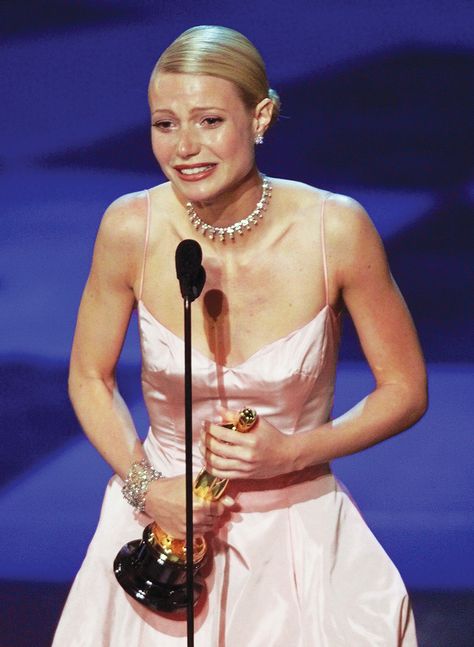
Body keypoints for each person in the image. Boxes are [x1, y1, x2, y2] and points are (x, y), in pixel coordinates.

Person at [53, 25, 427, 647]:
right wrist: (148, 489)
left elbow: (406, 389)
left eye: (207, 120)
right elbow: (87, 378)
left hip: (297, 534)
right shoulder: (129, 227)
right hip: (162, 526)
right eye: (164, 124)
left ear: (261, 117)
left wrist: (294, 452)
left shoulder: (336, 231)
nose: (184, 147)